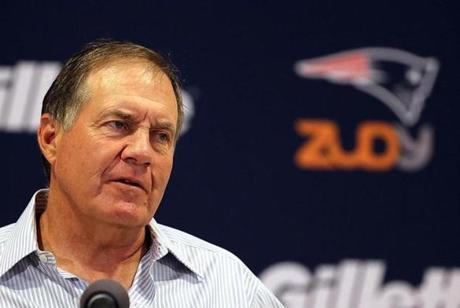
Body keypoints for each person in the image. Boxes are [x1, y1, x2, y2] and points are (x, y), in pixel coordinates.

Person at [0, 40, 284, 307]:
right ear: (51, 138)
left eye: (161, 136)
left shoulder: (226, 286)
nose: (142, 152)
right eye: (119, 125)